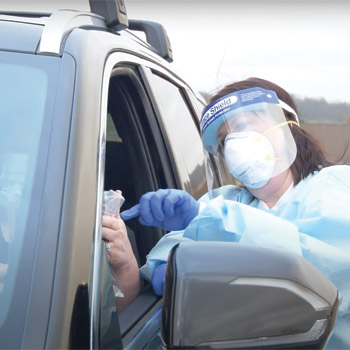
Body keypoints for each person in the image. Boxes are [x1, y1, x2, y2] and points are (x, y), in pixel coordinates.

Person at [105, 78, 350, 348]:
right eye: (224, 140)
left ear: (288, 126)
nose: (234, 144)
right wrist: (127, 262)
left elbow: (321, 272)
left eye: (244, 125)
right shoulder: (221, 202)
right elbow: (160, 277)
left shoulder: (338, 186)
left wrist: (206, 219)